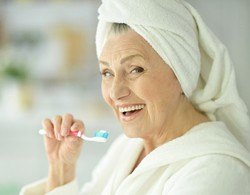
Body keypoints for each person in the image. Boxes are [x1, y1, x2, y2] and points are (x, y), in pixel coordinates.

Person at [20, 0, 250, 194]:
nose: (115, 92)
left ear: (181, 72)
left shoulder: (217, 173)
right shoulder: (128, 147)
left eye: (135, 70)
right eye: (107, 73)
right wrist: (60, 172)